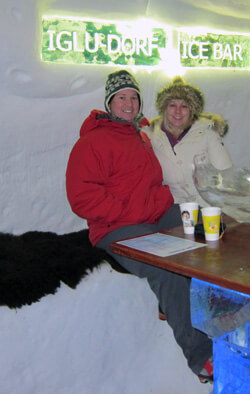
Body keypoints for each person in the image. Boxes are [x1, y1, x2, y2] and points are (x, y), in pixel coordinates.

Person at [65, 69, 214, 383]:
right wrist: (128, 211)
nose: (129, 103)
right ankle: (201, 356)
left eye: (134, 97)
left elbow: (153, 180)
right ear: (109, 103)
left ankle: (220, 310)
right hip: (115, 229)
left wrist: (160, 199)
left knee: (207, 228)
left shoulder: (141, 135)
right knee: (167, 267)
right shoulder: (92, 142)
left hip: (152, 218)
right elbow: (82, 198)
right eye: (122, 97)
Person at [146, 76, 233, 206]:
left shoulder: (207, 132)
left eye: (184, 106)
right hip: (173, 207)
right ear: (164, 109)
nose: (178, 111)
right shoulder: (152, 136)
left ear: (192, 110)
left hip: (208, 206)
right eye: (172, 105)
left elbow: (226, 175)